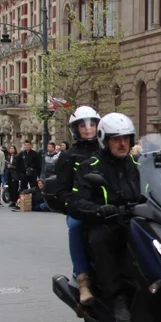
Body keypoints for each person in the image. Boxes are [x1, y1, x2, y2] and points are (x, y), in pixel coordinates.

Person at [67, 113, 143, 322]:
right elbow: (76, 202)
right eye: (116, 139)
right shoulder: (90, 167)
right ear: (104, 139)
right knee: (100, 239)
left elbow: (158, 186)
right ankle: (117, 297)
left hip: (136, 220)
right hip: (107, 223)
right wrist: (99, 210)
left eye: (126, 138)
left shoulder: (138, 163)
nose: (122, 143)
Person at [56, 106, 101, 304]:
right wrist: (73, 205)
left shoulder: (107, 150)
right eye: (83, 125)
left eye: (92, 124)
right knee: (75, 227)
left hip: (107, 205)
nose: (88, 129)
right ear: (76, 129)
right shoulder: (68, 156)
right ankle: (82, 279)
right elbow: (61, 190)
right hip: (81, 209)